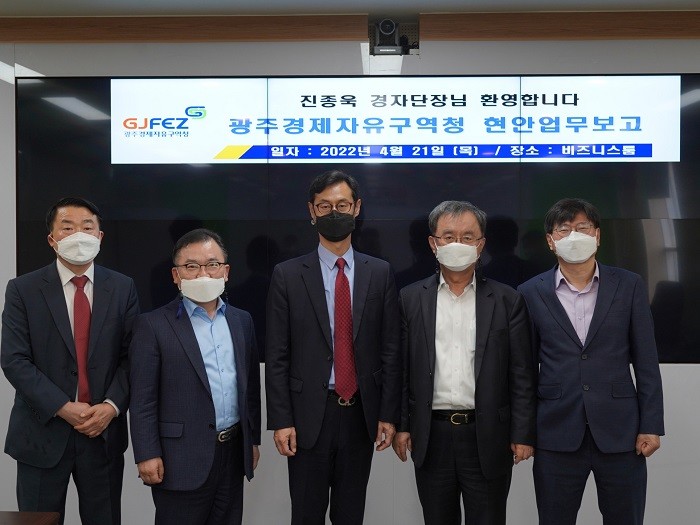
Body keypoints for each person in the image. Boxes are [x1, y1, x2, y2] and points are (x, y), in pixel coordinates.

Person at [265, 169, 401, 525]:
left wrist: (388, 413)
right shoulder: (287, 275)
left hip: (360, 414)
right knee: (306, 514)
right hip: (308, 414)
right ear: (312, 211)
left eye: (342, 204)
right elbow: (277, 354)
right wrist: (281, 420)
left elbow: (390, 349)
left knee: (350, 514)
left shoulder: (380, 272)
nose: (334, 212)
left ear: (357, 208)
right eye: (324, 206)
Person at [517, 198, 664, 525]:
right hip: (555, 433)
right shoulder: (529, 292)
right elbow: (524, 371)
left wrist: (651, 424)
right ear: (550, 240)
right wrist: (523, 432)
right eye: (564, 229)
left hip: (621, 433)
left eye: (582, 228)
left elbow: (646, 361)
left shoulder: (628, 285)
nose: (574, 236)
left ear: (597, 235)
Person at [392, 200, 537, 525]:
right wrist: (402, 425)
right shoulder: (410, 299)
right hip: (431, 435)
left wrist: (523, 432)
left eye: (467, 237)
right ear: (433, 243)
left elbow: (522, 373)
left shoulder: (507, 300)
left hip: (488, 435)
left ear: (481, 244)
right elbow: (401, 369)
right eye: (448, 236)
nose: (457, 244)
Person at [1, 197, 139, 525]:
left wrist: (111, 407)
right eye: (67, 227)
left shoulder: (123, 288)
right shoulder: (23, 289)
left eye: (87, 227)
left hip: (102, 432)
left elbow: (132, 357)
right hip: (41, 434)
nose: (79, 234)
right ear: (52, 239)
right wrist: (63, 406)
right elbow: (14, 359)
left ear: (100, 236)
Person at [129, 228, 261, 525]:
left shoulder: (241, 321)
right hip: (180, 459)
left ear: (226, 271)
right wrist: (146, 453)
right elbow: (142, 400)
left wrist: (251, 441)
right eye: (191, 266)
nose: (203, 274)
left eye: (212, 264)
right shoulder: (152, 326)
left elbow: (250, 388)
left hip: (232, 453)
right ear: (176, 275)